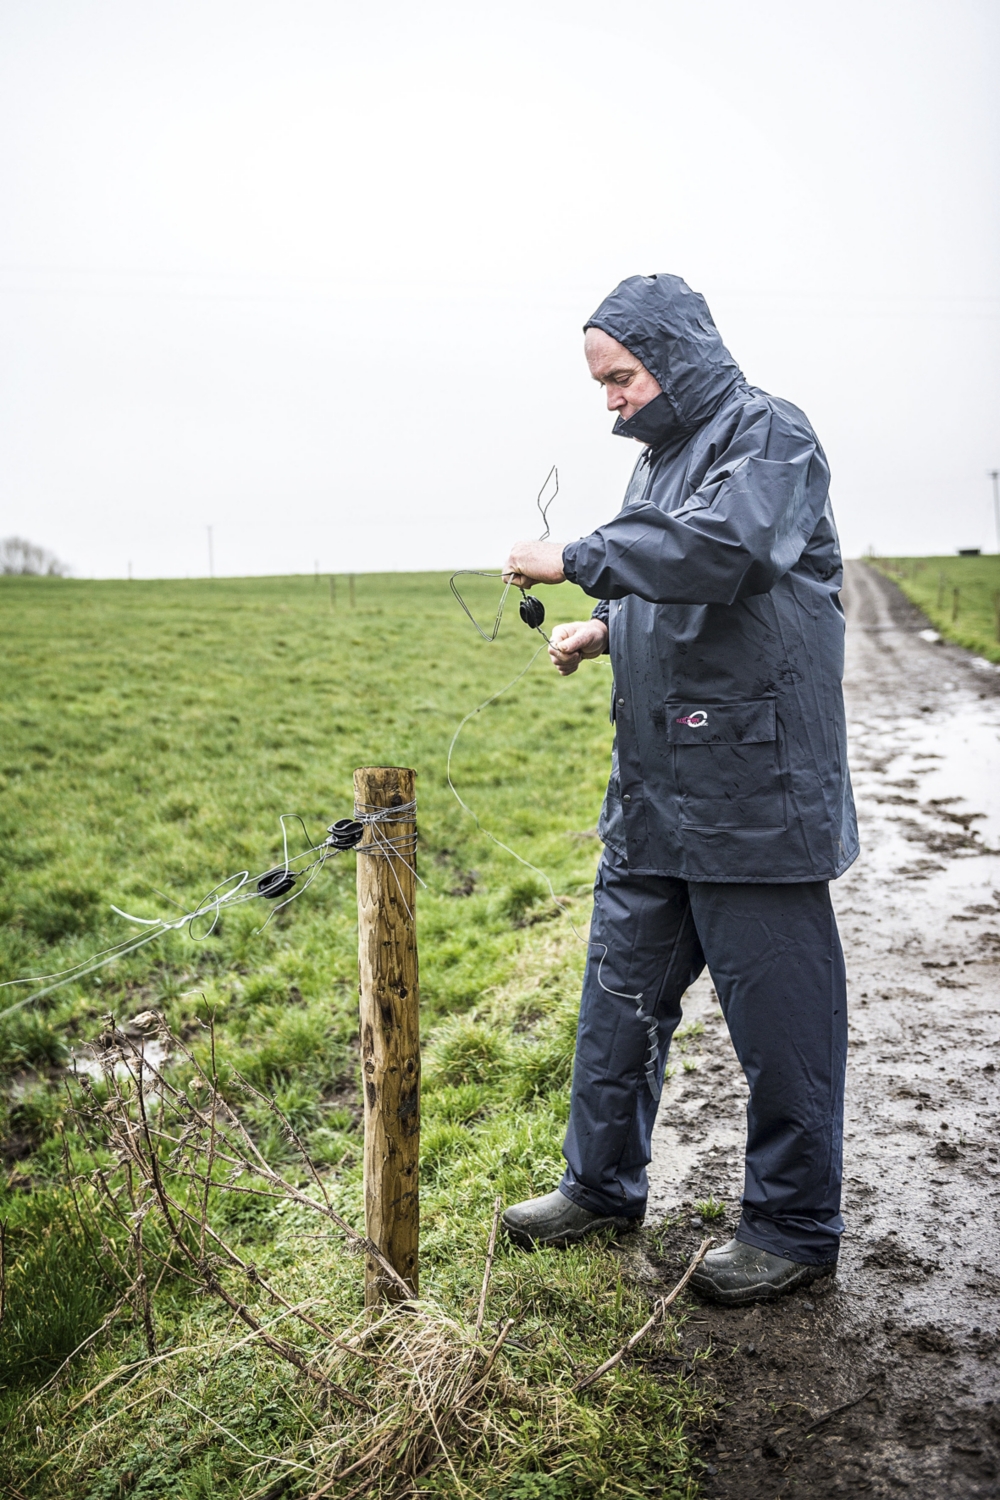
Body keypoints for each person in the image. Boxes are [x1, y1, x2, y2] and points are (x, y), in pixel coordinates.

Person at [500, 274, 857, 1305]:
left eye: (618, 376)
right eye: (600, 382)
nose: (607, 398)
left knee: (781, 1025)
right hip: (654, 795)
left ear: (676, 355)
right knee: (615, 1006)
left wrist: (575, 558)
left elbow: (727, 554)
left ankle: (791, 1228)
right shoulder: (657, 464)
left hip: (755, 795)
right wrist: (605, 628)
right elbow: (681, 592)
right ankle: (598, 1187)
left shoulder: (769, 436)